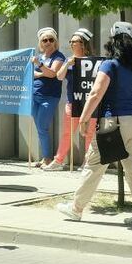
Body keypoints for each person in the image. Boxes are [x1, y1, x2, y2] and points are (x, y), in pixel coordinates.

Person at [57, 21, 132, 225]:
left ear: (113, 42)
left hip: (112, 122)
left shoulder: (109, 65)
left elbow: (95, 92)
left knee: (94, 164)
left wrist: (83, 118)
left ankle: (76, 208)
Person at [48, 28, 95, 170]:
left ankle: (88, 162)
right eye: (71, 41)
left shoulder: (93, 61)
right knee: (67, 133)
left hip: (90, 103)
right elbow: (59, 76)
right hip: (72, 103)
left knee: (89, 134)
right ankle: (58, 160)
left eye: (74, 41)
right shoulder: (69, 61)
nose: (71, 44)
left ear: (83, 44)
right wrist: (67, 64)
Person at [30, 27, 65, 168]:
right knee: (39, 127)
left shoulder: (59, 56)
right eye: (45, 40)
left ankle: (48, 158)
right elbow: (32, 74)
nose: (48, 42)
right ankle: (45, 157)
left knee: (43, 127)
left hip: (49, 97)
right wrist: (41, 72)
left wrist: (39, 68)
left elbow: (53, 74)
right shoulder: (39, 56)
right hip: (34, 94)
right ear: (41, 43)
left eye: (51, 40)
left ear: (55, 42)